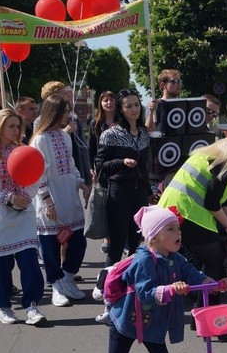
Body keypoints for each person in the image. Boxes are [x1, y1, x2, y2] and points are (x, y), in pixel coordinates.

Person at [63, 205, 224, 353]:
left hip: (152, 322)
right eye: (170, 229)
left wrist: (213, 284)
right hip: (126, 320)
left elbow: (193, 275)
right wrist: (168, 289)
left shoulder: (176, 258)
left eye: (178, 228)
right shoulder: (144, 260)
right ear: (154, 237)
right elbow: (145, 292)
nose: (178, 233)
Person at [158, 117, 227, 341]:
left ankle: (199, 319)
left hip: (177, 211)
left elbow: (225, 200)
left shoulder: (215, 154)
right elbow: (213, 203)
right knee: (215, 263)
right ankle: (215, 327)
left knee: (207, 264)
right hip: (188, 214)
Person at [0, 109, 46, 324]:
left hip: (23, 216)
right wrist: (9, 198)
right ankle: (3, 307)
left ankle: (32, 306)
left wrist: (24, 197)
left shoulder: (24, 151)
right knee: (0, 266)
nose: (16, 131)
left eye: (18, 126)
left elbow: (34, 179)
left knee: (30, 262)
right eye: (11, 126)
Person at [30, 94, 90, 306]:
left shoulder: (65, 137)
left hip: (69, 197)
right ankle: (56, 286)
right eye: (64, 111)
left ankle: (68, 277)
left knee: (77, 241)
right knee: (50, 245)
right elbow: (39, 174)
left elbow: (71, 166)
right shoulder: (39, 139)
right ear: (53, 112)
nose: (68, 115)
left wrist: (81, 183)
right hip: (51, 199)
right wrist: (47, 201)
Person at [95, 89, 153, 267]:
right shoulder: (110, 134)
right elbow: (100, 166)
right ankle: (105, 288)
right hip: (119, 193)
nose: (134, 109)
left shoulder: (144, 133)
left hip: (140, 193)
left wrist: (149, 192)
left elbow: (144, 168)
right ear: (121, 109)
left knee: (137, 243)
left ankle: (132, 285)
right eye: (128, 106)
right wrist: (121, 162)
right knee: (117, 244)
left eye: (136, 105)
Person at [88, 91, 117, 256]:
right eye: (105, 100)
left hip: (118, 166)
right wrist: (92, 168)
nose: (108, 103)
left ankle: (117, 235)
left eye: (111, 99)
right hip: (101, 168)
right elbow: (91, 148)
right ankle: (106, 237)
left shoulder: (121, 121)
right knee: (103, 203)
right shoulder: (95, 123)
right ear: (101, 103)